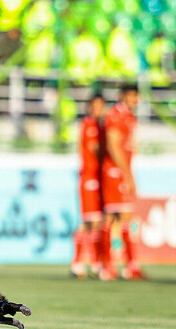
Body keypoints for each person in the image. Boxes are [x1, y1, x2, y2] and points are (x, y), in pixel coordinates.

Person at [100, 84, 144, 280]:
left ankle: (127, 265)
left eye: (136, 96)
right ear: (122, 97)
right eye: (130, 96)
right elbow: (113, 145)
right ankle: (109, 266)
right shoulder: (115, 115)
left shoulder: (129, 117)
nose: (134, 100)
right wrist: (127, 174)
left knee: (124, 217)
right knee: (113, 217)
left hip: (122, 171)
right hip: (114, 172)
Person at [71, 94, 106, 279]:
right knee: (90, 221)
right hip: (89, 177)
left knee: (94, 222)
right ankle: (81, 263)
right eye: (95, 106)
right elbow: (94, 148)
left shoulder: (100, 125)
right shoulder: (89, 124)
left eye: (101, 106)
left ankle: (89, 262)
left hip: (96, 177)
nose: (98, 110)